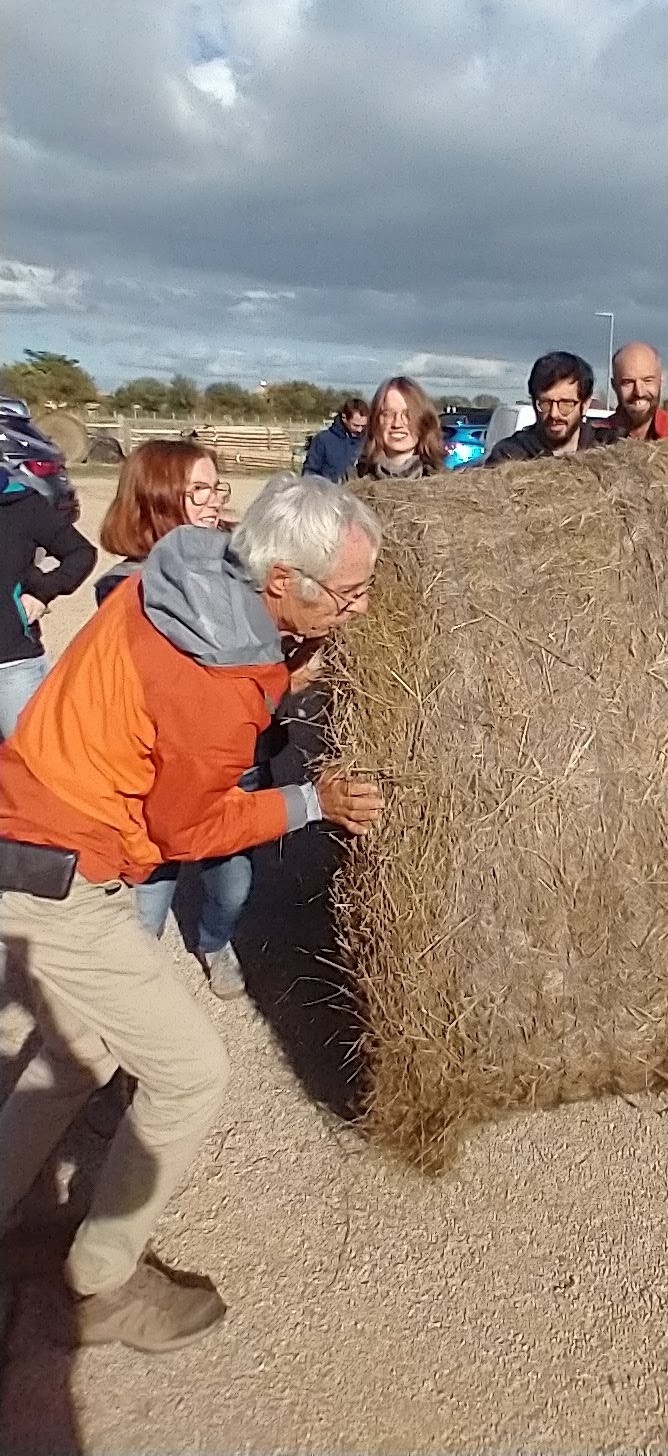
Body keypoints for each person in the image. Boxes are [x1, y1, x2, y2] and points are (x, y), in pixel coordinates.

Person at [0, 474, 384, 1352]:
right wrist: (311, 803)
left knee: (77, 1049)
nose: (360, 608)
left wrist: (278, 670)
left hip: (25, 823)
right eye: (351, 592)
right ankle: (101, 1284)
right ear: (282, 578)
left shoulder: (181, 578)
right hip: (66, 871)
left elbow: (177, 696)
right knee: (191, 1073)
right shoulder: (216, 686)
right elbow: (190, 828)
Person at [94, 441, 253, 999]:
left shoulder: (230, 559)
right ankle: (130, 1011)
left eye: (217, 487)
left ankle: (214, 941)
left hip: (226, 772)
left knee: (232, 885)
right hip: (157, 776)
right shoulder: (124, 586)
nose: (214, 501)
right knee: (145, 906)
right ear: (159, 501)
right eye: (199, 491)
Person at [0, 478, 96, 738]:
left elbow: (81, 552)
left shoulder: (24, 505)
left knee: (27, 764)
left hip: (11, 667)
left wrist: (42, 593)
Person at [486, 352, 613, 465]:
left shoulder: (608, 449)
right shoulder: (509, 456)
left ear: (585, 405)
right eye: (545, 403)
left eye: (566, 403)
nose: (554, 414)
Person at [356, 377, 445, 479]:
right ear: (375, 421)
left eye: (408, 414)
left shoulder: (448, 487)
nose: (397, 424)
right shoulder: (351, 482)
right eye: (387, 414)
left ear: (424, 421)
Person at [604, 342, 668, 441]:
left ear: (662, 381)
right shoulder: (594, 438)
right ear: (614, 385)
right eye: (628, 382)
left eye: (647, 381)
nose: (639, 392)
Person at [301, 397, 370, 481]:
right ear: (344, 418)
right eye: (355, 425)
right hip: (327, 492)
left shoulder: (368, 442)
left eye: (363, 426)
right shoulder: (323, 440)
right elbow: (310, 472)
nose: (360, 430)